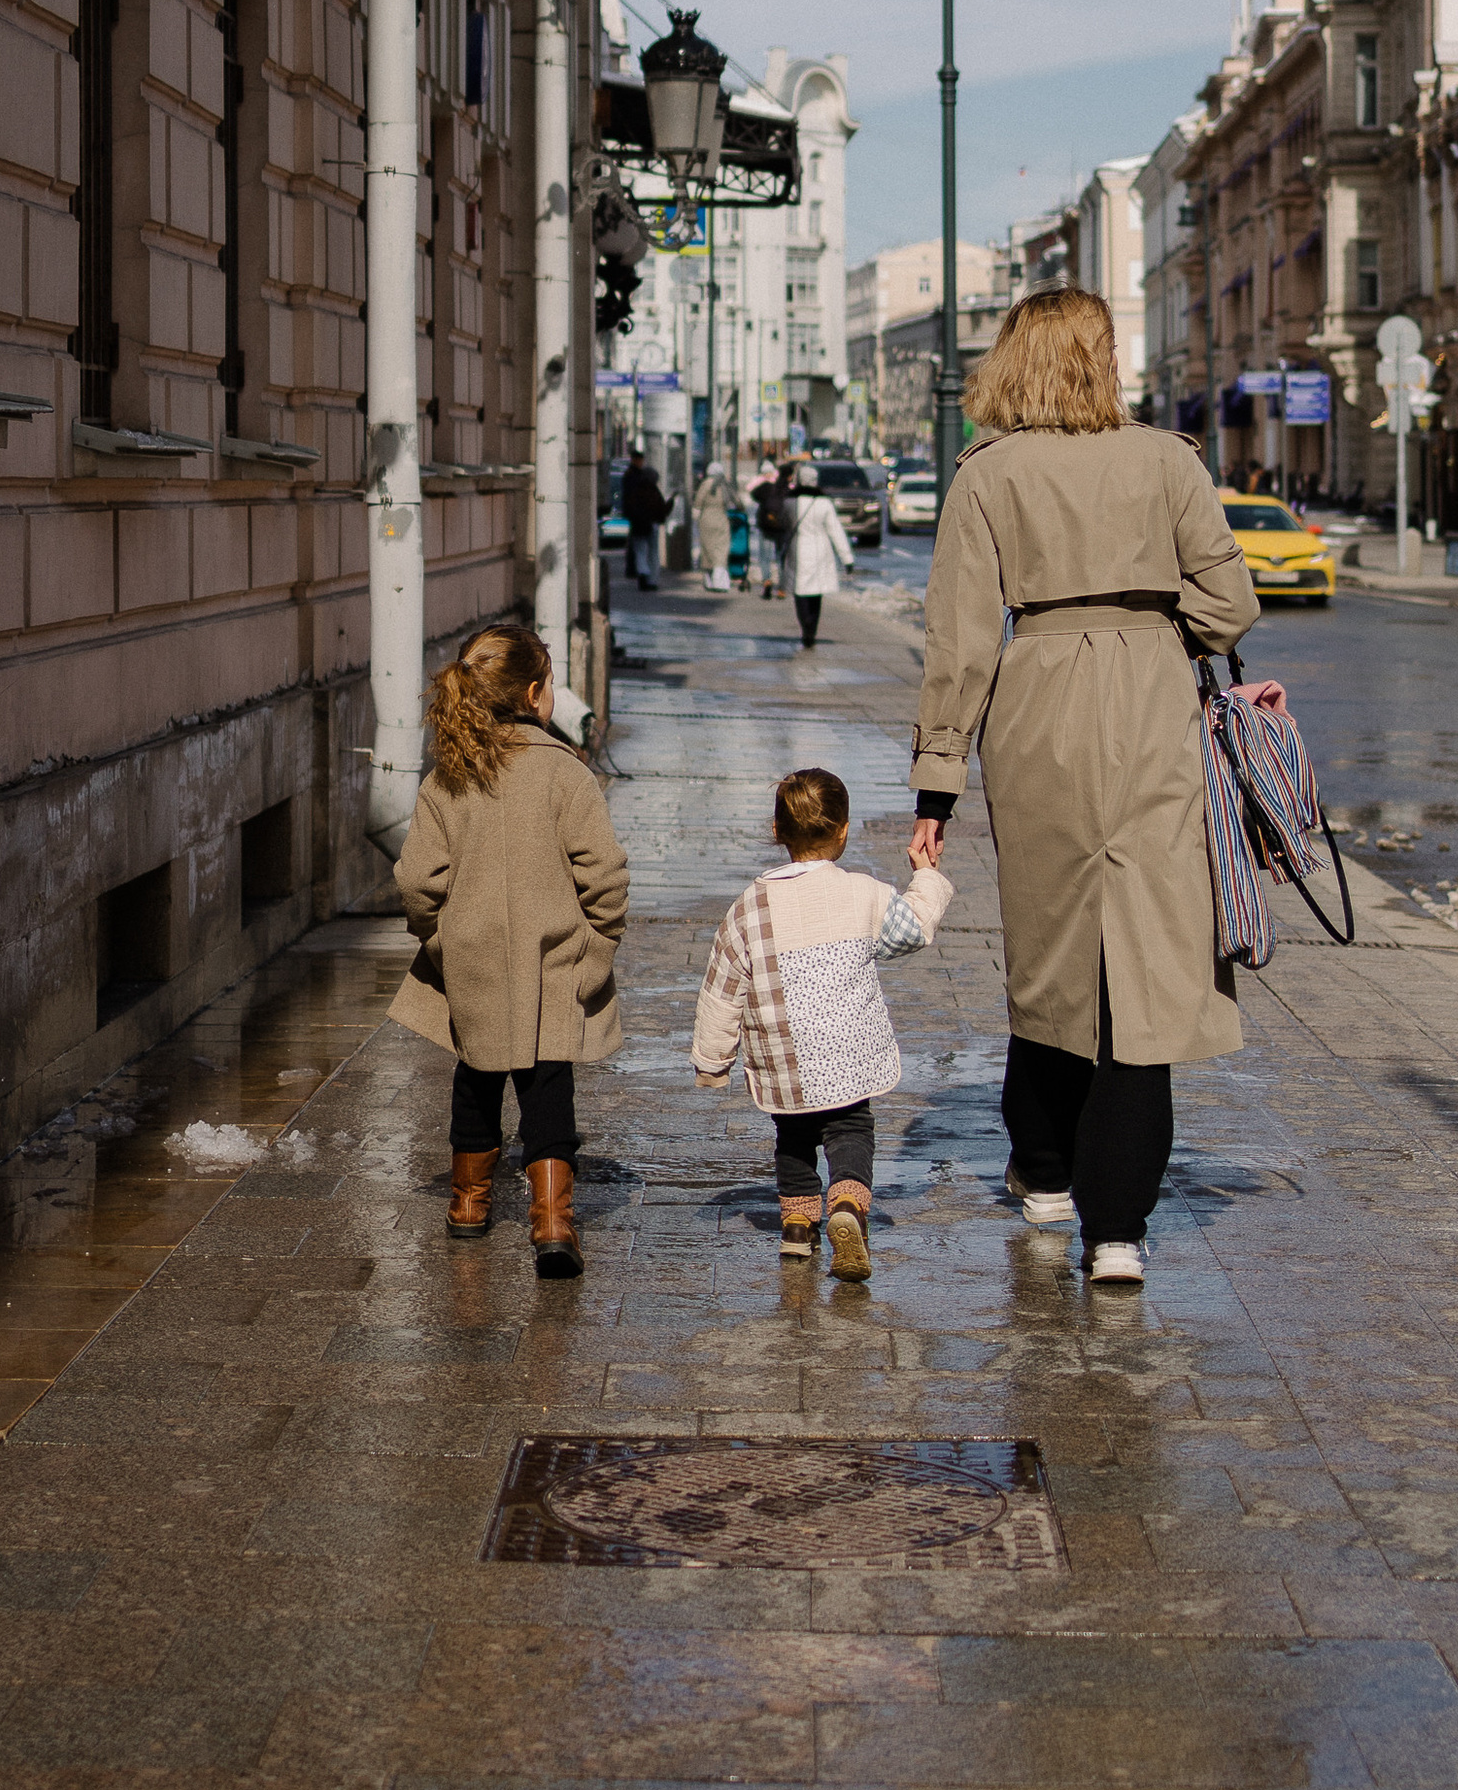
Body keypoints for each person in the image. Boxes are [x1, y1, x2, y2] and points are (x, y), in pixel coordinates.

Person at [910, 285, 1258, 1286]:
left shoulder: (986, 474)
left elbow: (960, 642)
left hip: (1037, 711)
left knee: (1055, 947)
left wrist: (935, 790)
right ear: (1100, 360)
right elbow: (1231, 603)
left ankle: (1049, 1172)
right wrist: (1155, 635)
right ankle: (1120, 1235)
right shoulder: (1167, 459)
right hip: (1153, 709)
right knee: (1144, 964)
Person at [390, 622, 630, 1277]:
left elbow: (415, 878)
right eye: (551, 683)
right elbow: (604, 872)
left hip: (470, 958)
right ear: (532, 694)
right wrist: (598, 945)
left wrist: (437, 939)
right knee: (549, 1090)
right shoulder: (564, 774)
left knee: (476, 1079)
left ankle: (468, 1205)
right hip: (553, 960)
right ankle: (552, 1222)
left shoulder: (448, 777)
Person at [691, 765, 952, 1276]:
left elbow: (722, 990)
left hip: (784, 1060)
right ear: (844, 830)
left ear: (776, 832)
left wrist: (712, 1062)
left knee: (792, 1136)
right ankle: (848, 1207)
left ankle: (795, 1229)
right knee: (850, 1128)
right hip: (850, 1057)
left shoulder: (747, 908)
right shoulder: (865, 893)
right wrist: (926, 875)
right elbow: (913, 929)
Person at [788, 464, 854, 648]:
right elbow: (836, 531)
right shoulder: (824, 503)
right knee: (816, 594)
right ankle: (812, 629)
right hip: (820, 553)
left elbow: (782, 527)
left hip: (798, 551)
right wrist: (847, 558)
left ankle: (805, 627)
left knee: (799, 592)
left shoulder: (790, 503)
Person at [619, 450, 668, 591]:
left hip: (639, 523)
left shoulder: (634, 481)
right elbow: (661, 508)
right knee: (651, 551)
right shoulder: (652, 490)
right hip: (648, 523)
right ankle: (651, 579)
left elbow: (629, 502)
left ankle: (643, 574)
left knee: (640, 550)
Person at [752, 464, 791, 600]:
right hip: (781, 528)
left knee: (765, 556)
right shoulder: (783, 488)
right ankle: (781, 588)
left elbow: (753, 493)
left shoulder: (764, 488)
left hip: (766, 526)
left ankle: (767, 580)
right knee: (781, 557)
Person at [694, 467, 733, 593]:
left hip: (706, 519)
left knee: (707, 549)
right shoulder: (724, 485)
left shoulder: (705, 484)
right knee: (721, 550)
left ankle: (709, 580)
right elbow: (735, 501)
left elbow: (698, 502)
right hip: (721, 519)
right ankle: (720, 581)